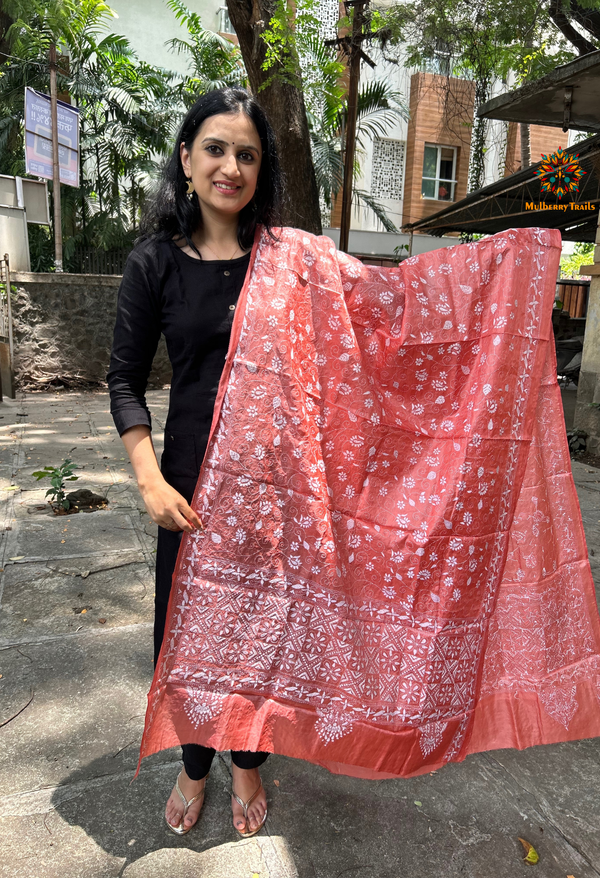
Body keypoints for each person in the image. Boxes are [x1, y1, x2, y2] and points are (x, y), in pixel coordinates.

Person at [107, 87, 282, 837]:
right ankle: (195, 762)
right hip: (188, 486)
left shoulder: (284, 262)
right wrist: (148, 477)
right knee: (186, 632)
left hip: (273, 487)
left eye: (246, 153)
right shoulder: (154, 263)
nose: (230, 166)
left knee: (259, 630)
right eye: (216, 148)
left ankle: (247, 762)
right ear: (186, 158)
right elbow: (122, 378)